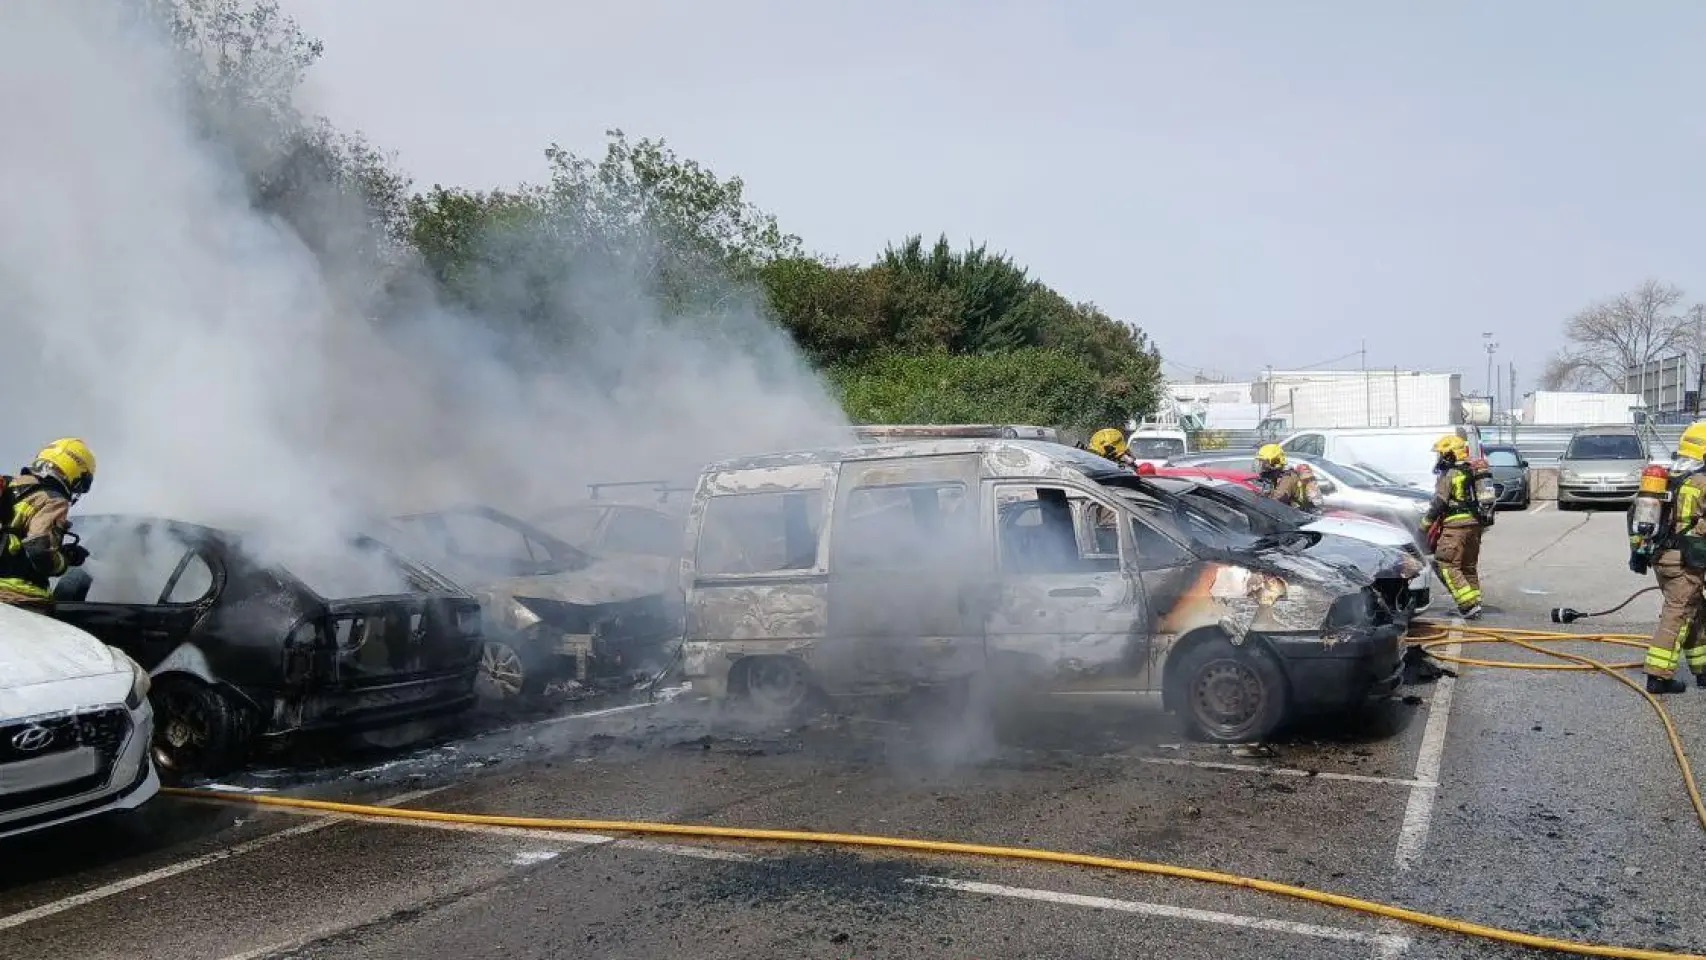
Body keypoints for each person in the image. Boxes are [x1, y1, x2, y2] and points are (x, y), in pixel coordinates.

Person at [1636, 420, 1706, 694]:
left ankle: (1702, 670)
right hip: (1684, 560)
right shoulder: (1701, 481)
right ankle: (1658, 676)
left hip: (1661, 555)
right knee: (1677, 613)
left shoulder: (1669, 475)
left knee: (1697, 611)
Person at [0, 438, 95, 608]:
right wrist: (66, 559)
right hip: (18, 598)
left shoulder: (8, 486)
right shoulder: (53, 500)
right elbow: (39, 550)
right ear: (76, 474)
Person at [1422, 434, 1485, 619]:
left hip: (1455, 527)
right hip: (1474, 525)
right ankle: (1475, 603)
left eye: (1442, 454)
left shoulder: (1450, 474)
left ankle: (1467, 606)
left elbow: (1439, 503)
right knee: (1468, 566)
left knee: (1447, 564)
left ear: (1450, 455)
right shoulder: (1472, 471)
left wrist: (1424, 525)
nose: (1439, 459)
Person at [1253, 444, 1320, 510]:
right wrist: (1264, 494)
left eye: (1264, 463)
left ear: (1275, 462)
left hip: (1299, 516)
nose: (1262, 467)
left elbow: (1276, 502)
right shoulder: (1279, 477)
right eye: (1261, 463)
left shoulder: (1287, 478)